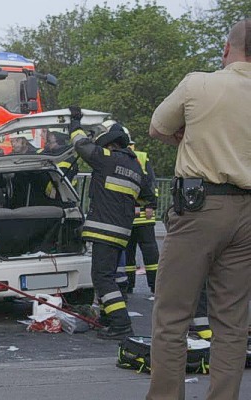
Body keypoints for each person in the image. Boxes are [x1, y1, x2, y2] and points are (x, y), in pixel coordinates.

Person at [146, 19, 251, 400]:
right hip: (247, 215)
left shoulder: (199, 84)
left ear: (226, 49)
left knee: (172, 317)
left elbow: (158, 127)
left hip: (199, 208)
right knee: (232, 322)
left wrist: (187, 135)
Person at [68, 107, 153, 340]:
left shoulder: (107, 158)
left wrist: (75, 123)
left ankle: (121, 325)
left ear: (109, 143)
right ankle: (107, 319)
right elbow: (149, 197)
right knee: (111, 277)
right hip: (123, 232)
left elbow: (81, 145)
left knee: (102, 278)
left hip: (104, 229)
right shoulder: (136, 167)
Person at [123, 135, 159, 294]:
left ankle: (132, 285)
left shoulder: (133, 158)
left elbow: (149, 183)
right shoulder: (137, 157)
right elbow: (151, 183)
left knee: (135, 252)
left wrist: (147, 204)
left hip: (138, 214)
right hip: (138, 214)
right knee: (143, 251)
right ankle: (152, 285)